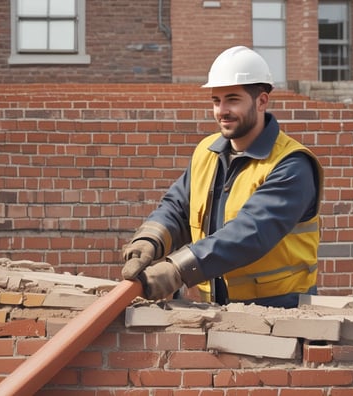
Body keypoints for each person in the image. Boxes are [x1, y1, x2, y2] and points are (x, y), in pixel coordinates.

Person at [122, 46, 324, 308]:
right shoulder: (206, 153)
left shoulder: (291, 164)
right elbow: (178, 209)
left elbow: (250, 233)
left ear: (262, 101)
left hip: (281, 315)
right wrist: (149, 240)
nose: (221, 111)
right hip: (219, 311)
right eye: (216, 100)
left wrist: (177, 269)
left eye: (233, 99)